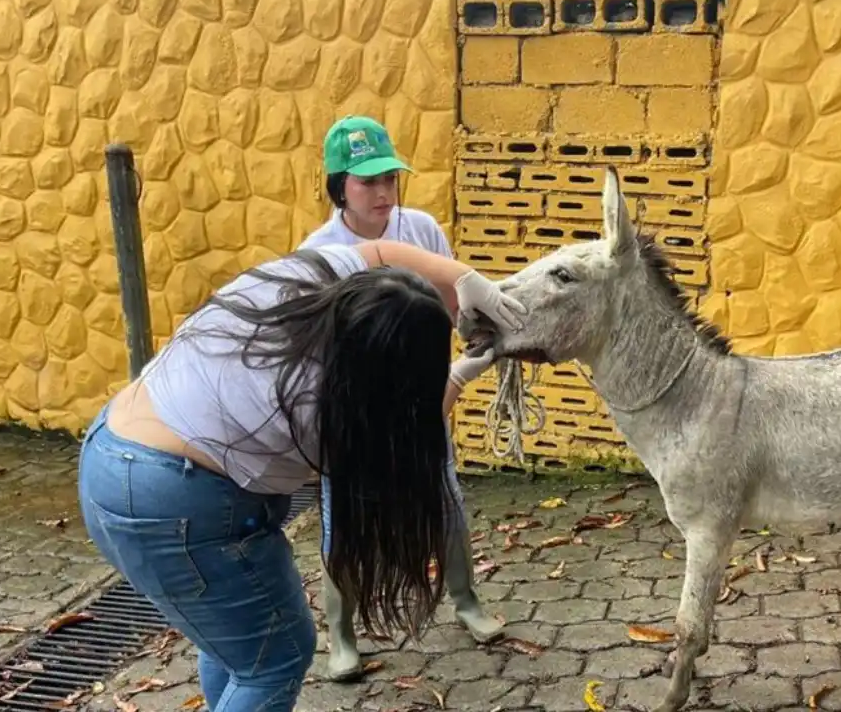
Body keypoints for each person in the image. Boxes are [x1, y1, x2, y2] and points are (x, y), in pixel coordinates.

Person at [77, 238, 526, 711]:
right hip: (176, 502)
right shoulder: (317, 407)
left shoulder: (296, 286)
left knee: (235, 649)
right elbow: (392, 453)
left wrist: (461, 278)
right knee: (275, 658)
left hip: (108, 452)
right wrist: (456, 378)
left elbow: (375, 252)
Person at [296, 115, 505, 680]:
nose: (384, 191)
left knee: (447, 500)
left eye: (389, 176)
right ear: (340, 186)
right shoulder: (318, 253)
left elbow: (456, 307)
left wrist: (472, 353)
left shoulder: (422, 229)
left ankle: (466, 603)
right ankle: (340, 636)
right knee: (343, 519)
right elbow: (316, 348)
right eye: (368, 181)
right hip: (354, 413)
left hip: (420, 400)